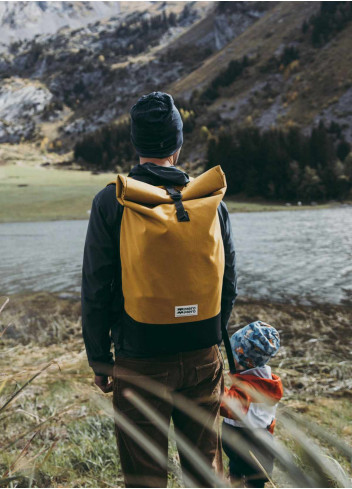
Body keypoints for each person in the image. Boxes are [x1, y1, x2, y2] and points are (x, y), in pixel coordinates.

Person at [81, 91, 237, 487]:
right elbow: (229, 281)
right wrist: (212, 336)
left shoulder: (112, 201)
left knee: (144, 476)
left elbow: (96, 288)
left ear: (136, 145)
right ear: (178, 144)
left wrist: (100, 359)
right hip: (203, 355)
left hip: (139, 357)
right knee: (206, 471)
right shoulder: (209, 200)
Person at [220, 321, 283, 488]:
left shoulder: (251, 388)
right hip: (250, 447)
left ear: (241, 360)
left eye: (232, 354)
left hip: (248, 449)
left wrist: (214, 383)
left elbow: (226, 405)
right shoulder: (262, 380)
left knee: (247, 482)